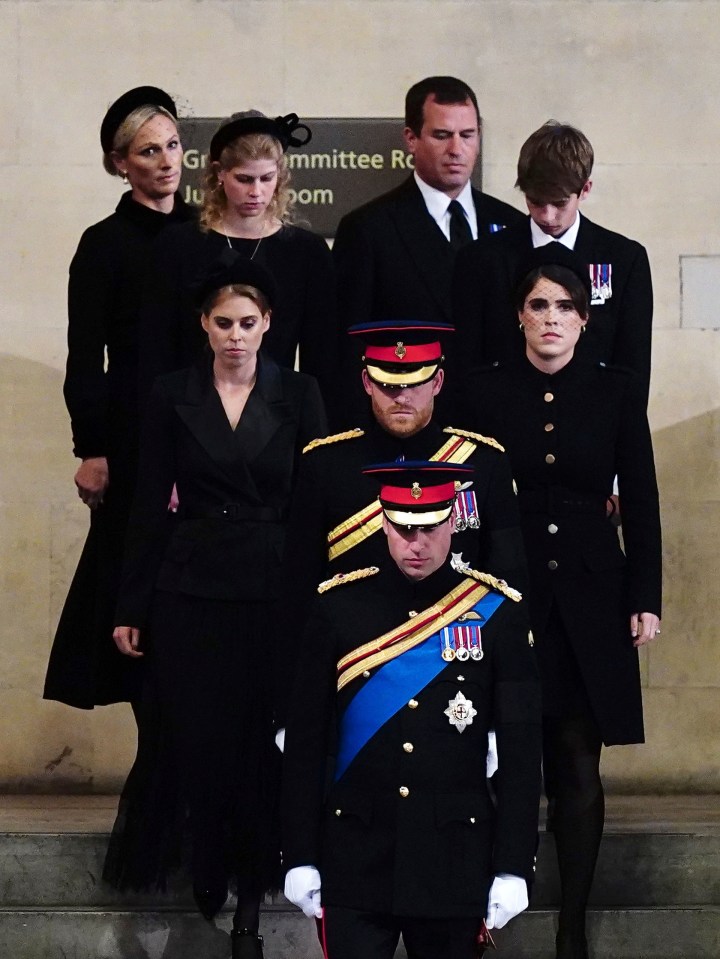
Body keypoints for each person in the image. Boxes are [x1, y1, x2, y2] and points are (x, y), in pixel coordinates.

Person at [105, 255, 327, 959]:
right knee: (197, 737)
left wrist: (329, 593)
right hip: (190, 585)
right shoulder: (173, 393)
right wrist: (130, 602)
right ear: (204, 325)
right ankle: (206, 869)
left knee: (263, 744)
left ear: (268, 325)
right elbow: (148, 501)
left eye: (248, 322)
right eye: (224, 322)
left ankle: (252, 910)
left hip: (275, 585)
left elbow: (320, 500)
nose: (236, 334)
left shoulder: (301, 392)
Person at [469, 248, 662, 959]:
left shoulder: (614, 391)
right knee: (491, 754)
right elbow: (463, 501)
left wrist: (645, 596)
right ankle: (484, 914)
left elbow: (640, 499)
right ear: (519, 314)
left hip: (590, 591)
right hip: (506, 592)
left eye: (566, 307)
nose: (552, 318)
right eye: (539, 305)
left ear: (585, 320)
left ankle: (572, 928)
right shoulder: (482, 389)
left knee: (579, 758)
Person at [282, 462, 542, 959]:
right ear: (383, 525)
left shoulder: (497, 613)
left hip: (454, 861)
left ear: (452, 523)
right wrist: (298, 854)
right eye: (402, 529)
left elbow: (521, 751)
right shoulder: (337, 608)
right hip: (354, 856)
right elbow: (306, 745)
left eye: (428, 528)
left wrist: (513, 864)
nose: (415, 543)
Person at [44, 85, 195, 710]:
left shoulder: (209, 234)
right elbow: (86, 357)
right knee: (136, 588)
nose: (166, 161)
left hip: (212, 428)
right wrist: (92, 447)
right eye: (148, 150)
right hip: (133, 437)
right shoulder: (103, 243)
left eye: (174, 146)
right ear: (120, 163)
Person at [277, 320, 527, 687]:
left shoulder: (483, 463)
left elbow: (507, 584)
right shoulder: (325, 463)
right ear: (366, 382)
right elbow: (298, 589)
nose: (402, 396)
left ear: (438, 382)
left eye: (415, 383)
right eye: (388, 384)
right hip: (355, 673)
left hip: (454, 673)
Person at [333, 76, 524, 420]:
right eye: (441, 135)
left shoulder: (511, 224)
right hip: (408, 426)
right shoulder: (368, 229)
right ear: (411, 138)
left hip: (498, 424)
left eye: (467, 135)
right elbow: (347, 352)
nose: (456, 149)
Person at [137, 109, 337, 411]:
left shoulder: (306, 251)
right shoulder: (178, 246)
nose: (256, 192)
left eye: (266, 178)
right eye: (244, 179)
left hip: (278, 419)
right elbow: (157, 350)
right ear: (219, 174)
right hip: (191, 416)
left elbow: (322, 358)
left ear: (280, 177)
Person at [453, 120, 654, 405]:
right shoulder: (481, 260)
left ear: (585, 190)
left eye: (559, 203)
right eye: (535, 201)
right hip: (504, 424)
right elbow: (468, 365)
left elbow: (633, 370)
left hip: (592, 425)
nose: (547, 216)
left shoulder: (623, 258)